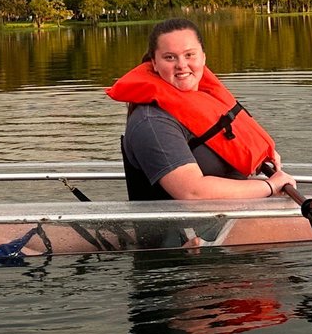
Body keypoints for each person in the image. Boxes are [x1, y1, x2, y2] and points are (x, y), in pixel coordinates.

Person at [108, 17, 296, 201]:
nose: (181, 65)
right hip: (186, 230)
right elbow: (191, 192)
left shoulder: (208, 99)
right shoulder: (152, 122)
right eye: (169, 57)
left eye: (189, 55)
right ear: (154, 63)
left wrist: (257, 152)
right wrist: (269, 186)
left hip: (226, 217)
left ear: (204, 57)